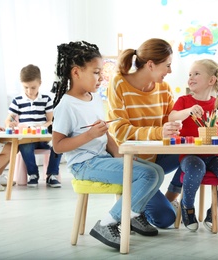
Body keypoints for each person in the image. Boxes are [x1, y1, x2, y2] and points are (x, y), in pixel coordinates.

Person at [51, 41, 165, 250]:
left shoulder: (94, 99)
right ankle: (107, 223)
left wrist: (120, 155)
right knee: (148, 175)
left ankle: (132, 214)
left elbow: (105, 136)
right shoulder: (66, 105)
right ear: (76, 72)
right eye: (96, 72)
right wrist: (89, 135)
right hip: (84, 165)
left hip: (102, 160)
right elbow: (57, 146)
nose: (101, 77)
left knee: (156, 170)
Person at [106, 38, 183, 228]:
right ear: (150, 65)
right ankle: (136, 192)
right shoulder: (119, 84)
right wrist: (159, 132)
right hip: (132, 163)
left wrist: (177, 126)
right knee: (165, 219)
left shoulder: (164, 89)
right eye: (167, 65)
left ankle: (169, 196)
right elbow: (121, 131)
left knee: (192, 154)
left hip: (157, 158)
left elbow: (168, 122)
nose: (170, 71)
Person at [168, 59, 218, 231]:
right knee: (196, 167)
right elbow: (172, 117)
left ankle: (214, 211)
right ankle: (187, 207)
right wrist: (189, 111)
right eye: (190, 74)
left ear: (211, 80)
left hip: (217, 155)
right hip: (191, 156)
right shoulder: (184, 101)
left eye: (196, 74)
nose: (191, 77)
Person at [5, 64, 62, 188]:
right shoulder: (17, 100)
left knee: (58, 144)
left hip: (42, 136)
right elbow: (8, 120)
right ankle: (33, 174)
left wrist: (42, 127)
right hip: (27, 137)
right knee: (25, 146)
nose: (29, 91)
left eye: (33, 87)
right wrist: (11, 123)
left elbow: (50, 120)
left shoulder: (46, 99)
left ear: (40, 83)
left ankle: (52, 174)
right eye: (26, 87)